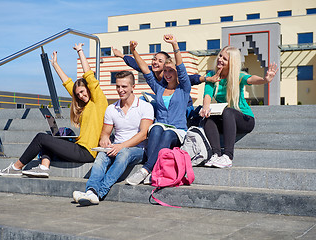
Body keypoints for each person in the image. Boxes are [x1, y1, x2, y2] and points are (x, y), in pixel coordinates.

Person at [0, 43, 108, 177]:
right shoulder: (85, 104)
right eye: (77, 94)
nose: (80, 96)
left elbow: (89, 75)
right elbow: (68, 84)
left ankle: (16, 167)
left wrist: (80, 51)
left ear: (89, 89)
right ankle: (43, 167)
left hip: (86, 152)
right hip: (79, 147)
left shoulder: (99, 102)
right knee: (48, 139)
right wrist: (55, 64)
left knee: (41, 138)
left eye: (83, 92)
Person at [72, 71, 154, 206]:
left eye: (124, 87)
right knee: (102, 155)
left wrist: (121, 146)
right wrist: (104, 140)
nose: (120, 90)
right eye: (118, 86)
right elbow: (105, 133)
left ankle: (99, 192)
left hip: (138, 149)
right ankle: (91, 191)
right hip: (116, 146)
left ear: (133, 87)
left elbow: (143, 134)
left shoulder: (145, 107)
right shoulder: (111, 109)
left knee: (124, 153)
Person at [125, 34, 191, 185]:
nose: (167, 74)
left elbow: (181, 67)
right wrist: (134, 51)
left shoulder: (184, 88)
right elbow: (145, 70)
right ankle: (152, 169)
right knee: (155, 129)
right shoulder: (159, 88)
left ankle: (146, 169)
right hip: (160, 126)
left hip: (177, 129)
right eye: (166, 71)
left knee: (168, 133)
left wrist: (175, 45)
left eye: (171, 71)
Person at [199, 46, 278, 168]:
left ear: (232, 63)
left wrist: (264, 80)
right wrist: (205, 108)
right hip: (226, 119)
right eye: (220, 56)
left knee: (228, 112)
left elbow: (250, 79)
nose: (220, 59)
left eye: (225, 58)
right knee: (208, 119)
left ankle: (228, 157)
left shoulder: (238, 76)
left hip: (245, 119)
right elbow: (207, 95)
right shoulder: (211, 75)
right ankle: (216, 154)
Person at [112, 46, 219, 118]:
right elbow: (136, 65)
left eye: (160, 61)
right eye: (154, 59)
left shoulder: (172, 75)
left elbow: (190, 78)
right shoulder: (151, 73)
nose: (155, 62)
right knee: (142, 99)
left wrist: (207, 79)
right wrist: (122, 56)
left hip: (183, 107)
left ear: (166, 64)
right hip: (165, 104)